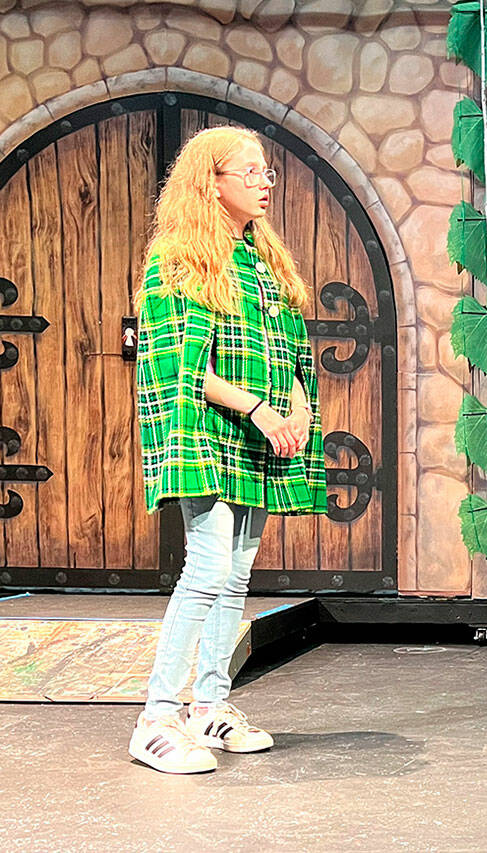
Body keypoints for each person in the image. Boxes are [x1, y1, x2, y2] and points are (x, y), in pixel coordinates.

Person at [128, 126, 326, 774]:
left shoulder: (262, 259)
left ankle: (209, 704)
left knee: (237, 570)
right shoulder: (180, 258)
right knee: (209, 566)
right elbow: (182, 368)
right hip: (209, 429)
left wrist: (295, 402)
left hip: (257, 431)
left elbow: (288, 348)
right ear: (210, 181)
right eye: (250, 172)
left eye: (266, 172)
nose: (265, 182)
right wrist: (258, 407)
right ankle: (157, 716)